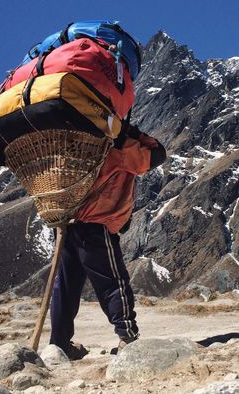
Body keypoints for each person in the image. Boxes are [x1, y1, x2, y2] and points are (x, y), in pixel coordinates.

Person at [49, 123, 166, 357]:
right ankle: (127, 336)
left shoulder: (76, 143)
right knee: (113, 281)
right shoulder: (116, 146)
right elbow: (156, 154)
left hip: (67, 223)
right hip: (95, 222)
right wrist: (129, 132)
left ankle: (59, 344)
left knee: (66, 285)